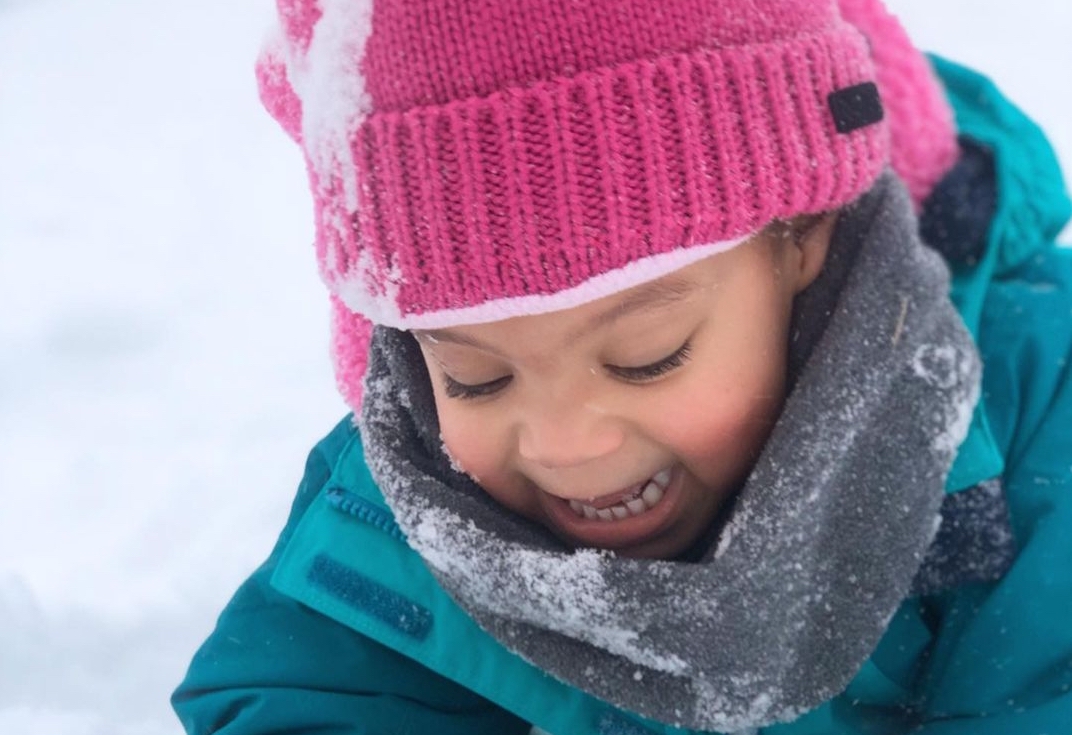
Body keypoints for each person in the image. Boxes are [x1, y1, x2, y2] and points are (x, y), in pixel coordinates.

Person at [172, 0, 1072, 732]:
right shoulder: (412, 486)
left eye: (646, 356)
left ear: (802, 241)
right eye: (477, 378)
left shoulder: (1042, 404)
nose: (566, 444)